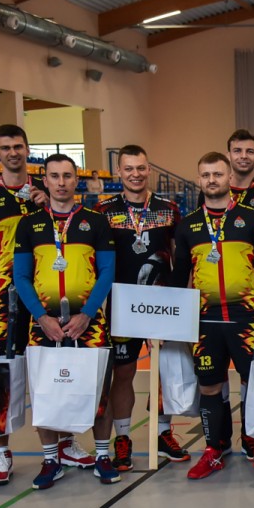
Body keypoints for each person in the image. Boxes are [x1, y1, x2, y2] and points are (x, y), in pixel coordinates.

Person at [0, 125, 67, 485]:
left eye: (18, 146)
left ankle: (62, 444)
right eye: (6, 147)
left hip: (46, 297)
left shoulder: (48, 189)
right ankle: (1, 453)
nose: (13, 152)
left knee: (52, 375)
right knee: (3, 378)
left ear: (27, 149)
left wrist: (47, 206)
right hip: (4, 301)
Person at [12, 154, 117, 489]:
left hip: (89, 323)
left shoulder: (95, 221)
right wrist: (41, 317)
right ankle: (51, 460)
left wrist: (87, 314)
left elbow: (107, 272)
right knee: (46, 393)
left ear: (76, 180)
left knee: (99, 392)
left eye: (67, 176)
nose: (61, 182)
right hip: (44, 324)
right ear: (44, 180)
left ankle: (103, 455)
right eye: (54, 176)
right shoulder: (29, 224)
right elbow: (21, 277)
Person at [173, 152, 254, 480]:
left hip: (246, 318)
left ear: (229, 177)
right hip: (205, 321)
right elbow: (179, 278)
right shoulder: (188, 225)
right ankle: (214, 449)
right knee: (209, 386)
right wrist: (170, 318)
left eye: (218, 174)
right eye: (206, 175)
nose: (212, 180)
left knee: (253, 384)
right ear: (198, 179)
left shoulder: (253, 219)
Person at [96, 145, 187, 470]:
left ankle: (163, 433)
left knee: (165, 370)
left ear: (149, 170)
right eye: (129, 169)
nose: (135, 174)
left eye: (140, 168)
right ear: (119, 172)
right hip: (123, 305)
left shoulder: (169, 209)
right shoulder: (103, 211)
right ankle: (122, 438)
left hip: (162, 303)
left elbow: (179, 254)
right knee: (123, 373)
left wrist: (181, 297)